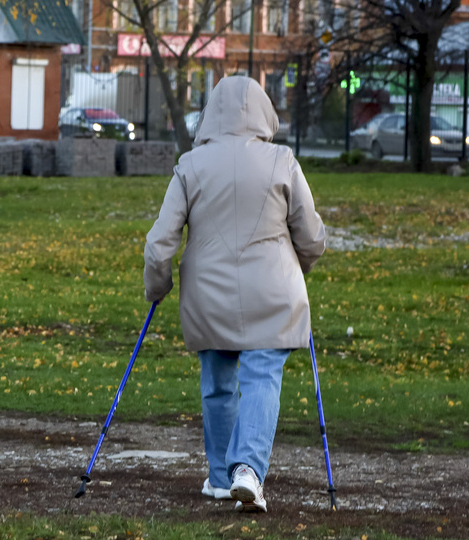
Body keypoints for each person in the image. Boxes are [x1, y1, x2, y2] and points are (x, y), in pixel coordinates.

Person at [143, 76, 326, 512]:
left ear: (210, 114)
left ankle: (223, 477)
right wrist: (300, 268)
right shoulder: (282, 160)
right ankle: (247, 470)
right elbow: (313, 236)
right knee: (262, 376)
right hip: (273, 292)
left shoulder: (191, 164)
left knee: (218, 385)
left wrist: (158, 287)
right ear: (264, 112)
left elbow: (159, 244)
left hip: (208, 295)